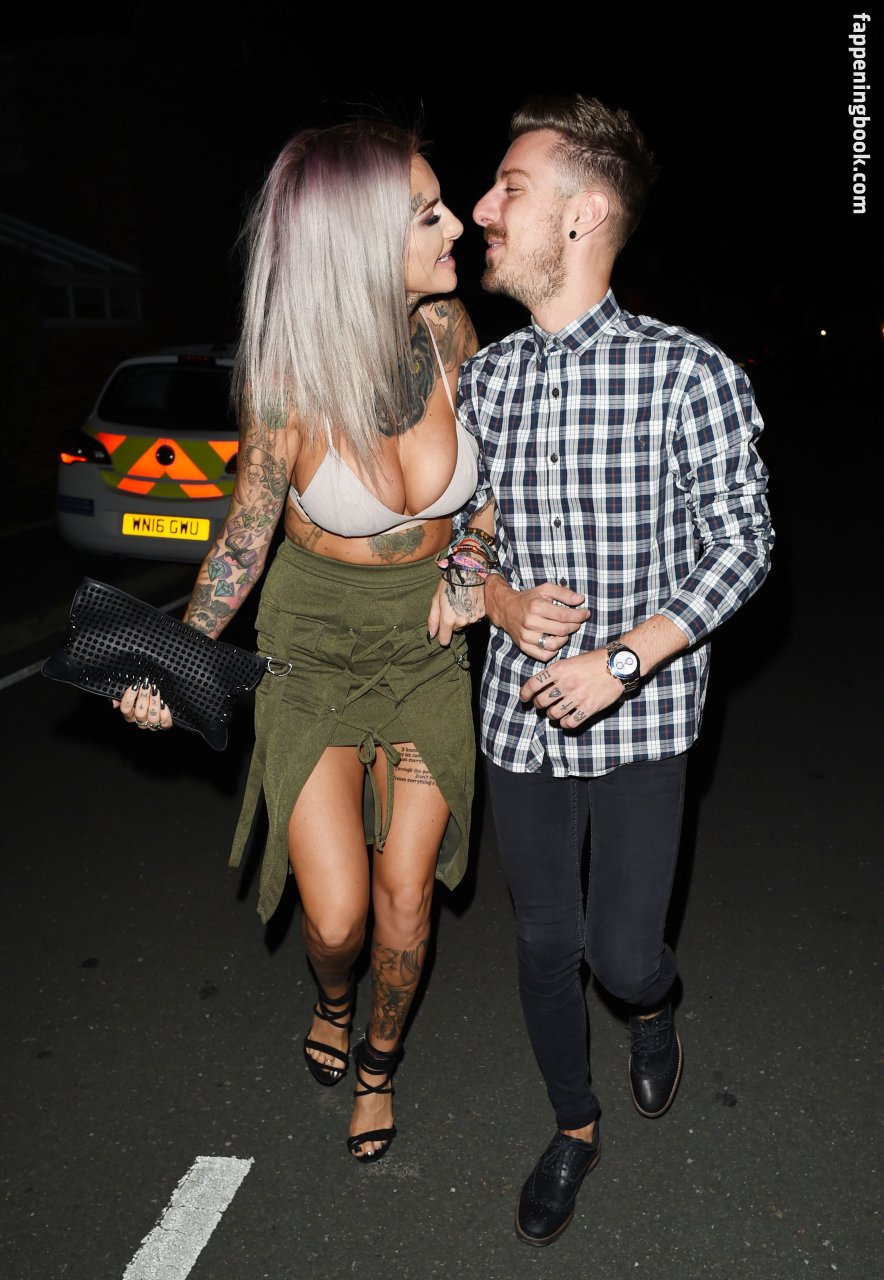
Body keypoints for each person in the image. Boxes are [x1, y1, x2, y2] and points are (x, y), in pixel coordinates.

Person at [436, 93, 774, 1246]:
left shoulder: (687, 374)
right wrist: (492, 594)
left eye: (508, 188)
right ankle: (571, 1125)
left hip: (643, 712)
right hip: (517, 713)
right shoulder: (485, 380)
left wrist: (623, 658)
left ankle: (653, 1003)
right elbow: (463, 535)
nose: (482, 208)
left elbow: (743, 543)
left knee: (621, 956)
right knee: (542, 940)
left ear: (580, 215)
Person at [115, 118, 486, 1163]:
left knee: (405, 903)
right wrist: (175, 661)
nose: (455, 227)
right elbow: (244, 538)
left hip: (425, 646)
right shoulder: (285, 377)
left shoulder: (448, 330)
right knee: (336, 920)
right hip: (313, 646)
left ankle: (378, 1062)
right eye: (426, 214)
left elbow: (496, 481)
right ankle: (331, 998)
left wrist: (469, 563)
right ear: (359, 242)